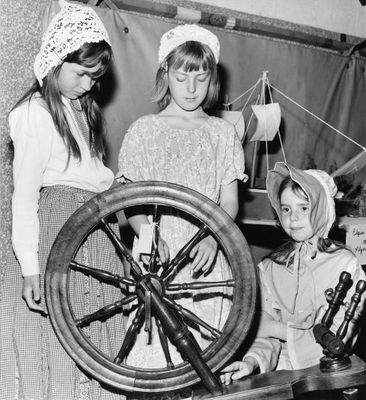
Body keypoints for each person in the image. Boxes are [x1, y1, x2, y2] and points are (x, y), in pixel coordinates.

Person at [0, 1, 126, 399]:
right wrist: (30, 268)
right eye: (81, 73)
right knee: (54, 343)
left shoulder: (82, 112)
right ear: (55, 59)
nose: (89, 84)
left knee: (96, 341)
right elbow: (24, 196)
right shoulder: (34, 114)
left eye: (95, 77)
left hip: (94, 238)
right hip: (56, 238)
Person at [116, 24, 248, 367]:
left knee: (202, 362)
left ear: (212, 79)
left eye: (201, 78)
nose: (191, 88)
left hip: (206, 260)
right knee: (155, 362)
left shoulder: (223, 134)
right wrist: (148, 233)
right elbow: (131, 202)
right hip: (157, 260)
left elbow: (229, 202)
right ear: (165, 74)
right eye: (181, 77)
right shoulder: (144, 131)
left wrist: (212, 236)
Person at [220, 162, 366, 385]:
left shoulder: (344, 264)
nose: (293, 217)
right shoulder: (270, 267)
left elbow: (339, 337)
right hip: (281, 378)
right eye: (286, 209)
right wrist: (252, 361)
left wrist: (275, 328)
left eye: (304, 208)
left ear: (321, 209)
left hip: (327, 378)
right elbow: (266, 338)